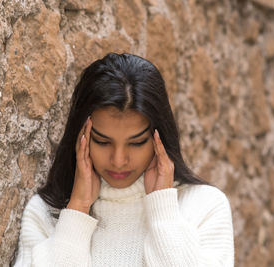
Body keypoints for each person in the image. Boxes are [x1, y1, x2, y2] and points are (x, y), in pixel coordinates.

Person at [13, 53, 234, 266]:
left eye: (136, 143)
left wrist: (163, 211)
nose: (118, 160)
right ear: (81, 136)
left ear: (160, 138)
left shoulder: (204, 206)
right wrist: (77, 211)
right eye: (102, 141)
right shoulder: (45, 213)